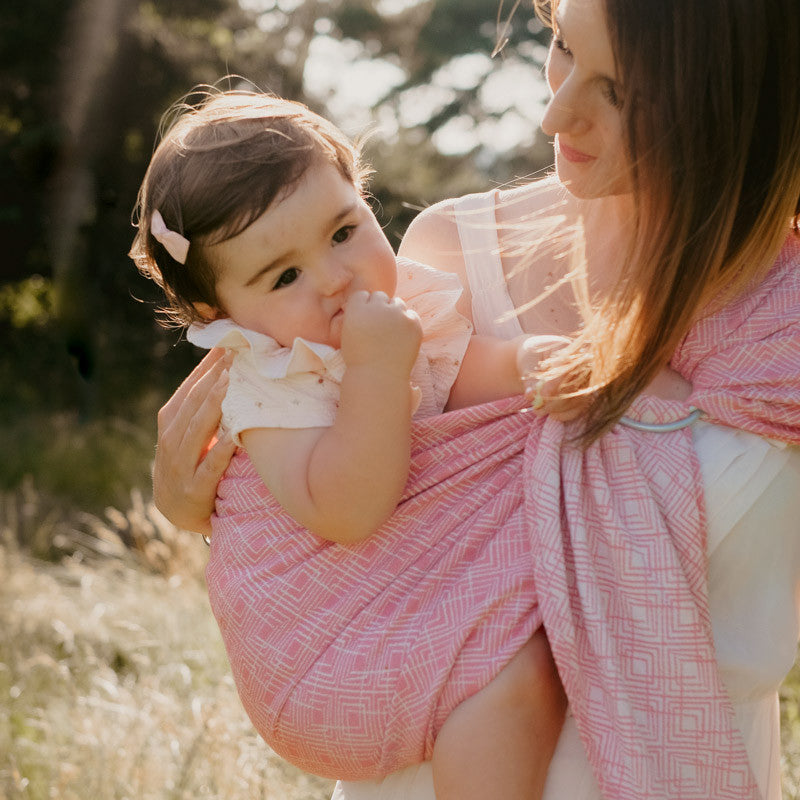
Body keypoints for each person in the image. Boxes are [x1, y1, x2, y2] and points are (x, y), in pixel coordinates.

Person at [149, 0, 800, 797]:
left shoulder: (782, 325)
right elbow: (368, 534)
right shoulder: (443, 255)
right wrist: (209, 512)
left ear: (737, 98)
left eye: (623, 92)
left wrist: (563, 366)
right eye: (560, 45)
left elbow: (495, 374)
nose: (553, 113)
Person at [131, 91, 571, 800]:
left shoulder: (398, 312)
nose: (337, 278)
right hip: (322, 656)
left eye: (343, 231)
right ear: (223, 316)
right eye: (285, 276)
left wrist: (549, 361)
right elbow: (344, 509)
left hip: (410, 610)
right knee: (508, 678)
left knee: (525, 667)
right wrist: (374, 371)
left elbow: (472, 374)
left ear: (364, 197)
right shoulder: (268, 376)